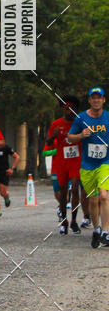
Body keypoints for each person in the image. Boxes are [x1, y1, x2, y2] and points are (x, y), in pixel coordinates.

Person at [67, 87, 109, 248]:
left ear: (103, 100)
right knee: (93, 200)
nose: (96, 100)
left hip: (105, 162)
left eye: (99, 98)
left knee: (104, 196)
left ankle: (106, 231)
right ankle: (97, 229)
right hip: (87, 165)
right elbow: (70, 138)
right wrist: (80, 135)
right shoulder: (81, 118)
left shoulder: (108, 117)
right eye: (94, 98)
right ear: (90, 100)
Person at [42, 95, 82, 234]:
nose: (69, 111)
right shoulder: (56, 124)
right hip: (61, 160)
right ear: (63, 110)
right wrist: (53, 136)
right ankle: (64, 220)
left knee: (75, 186)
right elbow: (47, 143)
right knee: (63, 191)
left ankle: (74, 221)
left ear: (75, 109)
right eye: (66, 108)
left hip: (76, 159)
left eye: (72, 108)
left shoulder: (79, 123)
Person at [0, 144, 20, 217]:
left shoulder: (5, 147)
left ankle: (6, 196)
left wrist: (12, 169)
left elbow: (17, 157)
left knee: (2, 193)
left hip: (4, 173)